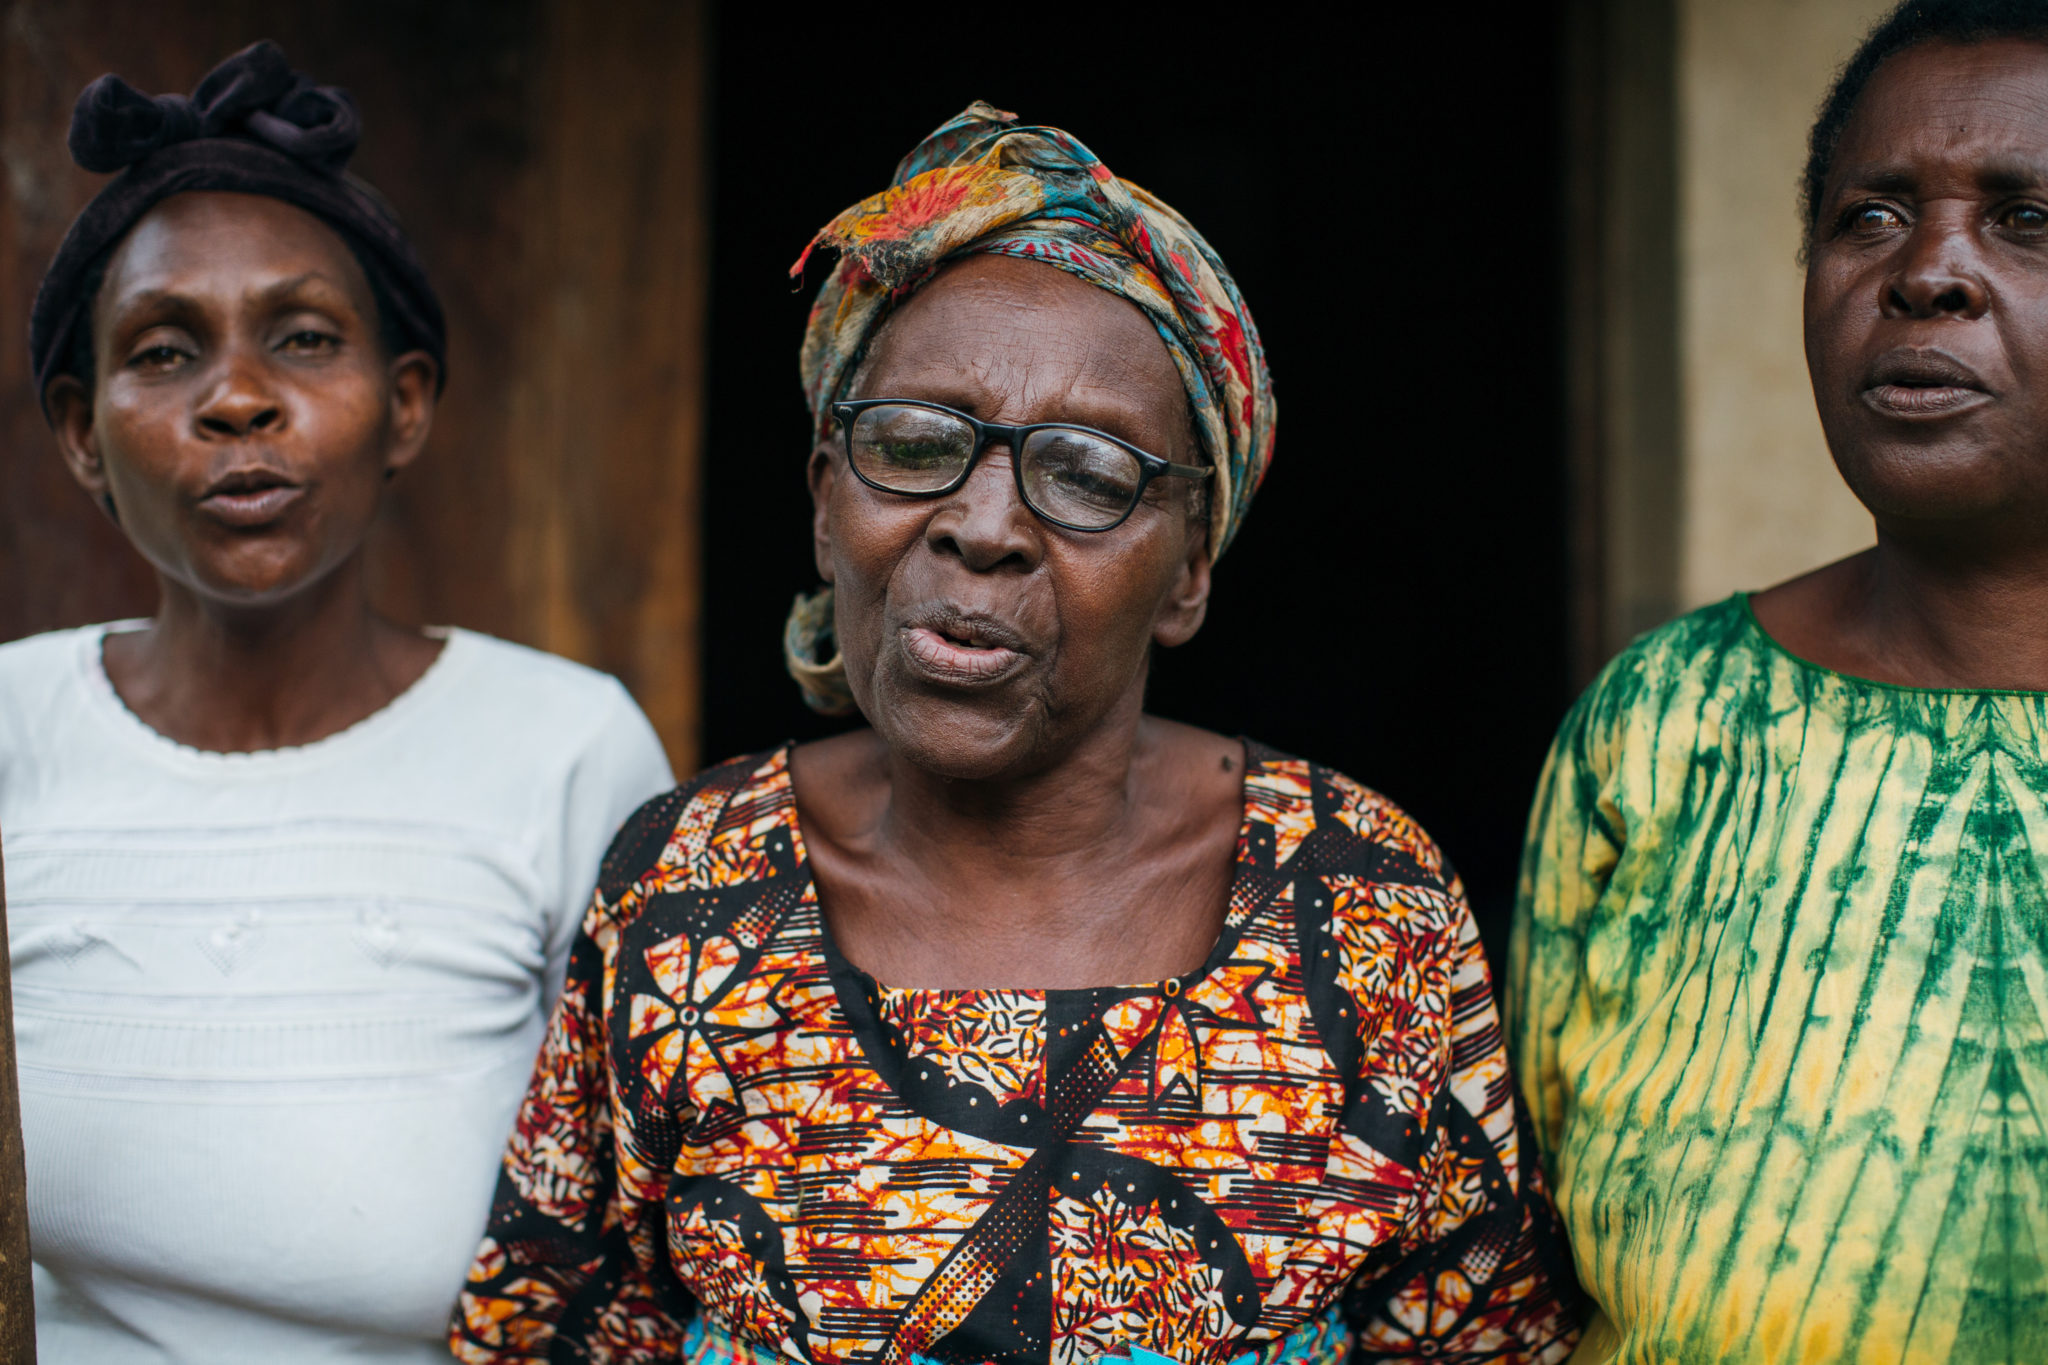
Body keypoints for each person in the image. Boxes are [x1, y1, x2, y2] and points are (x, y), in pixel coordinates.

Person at [452, 103, 1580, 1365]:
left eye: (1088, 473)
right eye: (916, 445)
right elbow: (552, 1335)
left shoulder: (1361, 898)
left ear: (1191, 571)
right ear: (828, 507)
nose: (983, 525)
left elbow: (1484, 1342)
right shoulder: (688, 884)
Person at [0, 43, 673, 1361]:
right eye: (162, 349)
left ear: (405, 405)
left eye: (305, 339)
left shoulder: (566, 749)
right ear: (83, 432)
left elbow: (640, 1246)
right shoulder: (8, 730)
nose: (240, 398)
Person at [1510, 2, 2048, 1361]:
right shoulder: (1661, 729)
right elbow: (1529, 1252)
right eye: (1870, 216)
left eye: (2027, 217)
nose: (1927, 273)